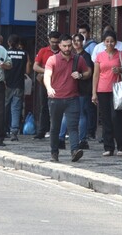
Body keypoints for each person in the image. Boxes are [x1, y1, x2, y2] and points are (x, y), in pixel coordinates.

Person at [44, 34, 91, 162]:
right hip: (55, 98)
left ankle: (74, 151)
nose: (67, 48)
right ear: (59, 46)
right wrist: (49, 88)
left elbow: (88, 72)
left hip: (72, 98)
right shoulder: (52, 60)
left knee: (73, 126)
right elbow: (47, 75)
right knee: (55, 127)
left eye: (69, 45)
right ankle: (54, 153)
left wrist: (80, 75)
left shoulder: (78, 59)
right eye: (64, 46)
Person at [92, 31, 122, 156]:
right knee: (105, 119)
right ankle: (108, 147)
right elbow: (96, 74)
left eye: (112, 41)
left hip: (117, 89)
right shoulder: (99, 55)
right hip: (102, 90)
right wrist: (94, 93)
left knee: (117, 118)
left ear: (116, 42)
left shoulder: (121, 54)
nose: (109, 43)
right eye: (107, 41)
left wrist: (120, 69)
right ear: (103, 42)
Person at [58, 33, 94, 150]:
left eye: (79, 41)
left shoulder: (85, 56)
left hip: (83, 88)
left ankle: (82, 139)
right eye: (74, 41)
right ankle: (61, 138)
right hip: (71, 89)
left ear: (83, 42)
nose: (76, 43)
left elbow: (89, 72)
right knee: (67, 114)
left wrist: (81, 75)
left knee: (81, 114)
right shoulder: (71, 56)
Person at [33, 31, 61, 139]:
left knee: (58, 107)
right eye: (52, 42)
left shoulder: (62, 52)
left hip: (59, 83)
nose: (54, 44)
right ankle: (42, 130)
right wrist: (47, 71)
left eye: (56, 42)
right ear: (49, 40)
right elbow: (35, 67)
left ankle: (56, 130)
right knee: (44, 106)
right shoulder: (43, 51)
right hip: (45, 82)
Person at [5, 34, 30, 141]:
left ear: (9, 43)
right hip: (19, 84)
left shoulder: (6, 53)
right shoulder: (24, 53)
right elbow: (28, 71)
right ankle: (14, 132)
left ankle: (2, 129)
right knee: (16, 109)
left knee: (3, 108)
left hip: (6, 84)